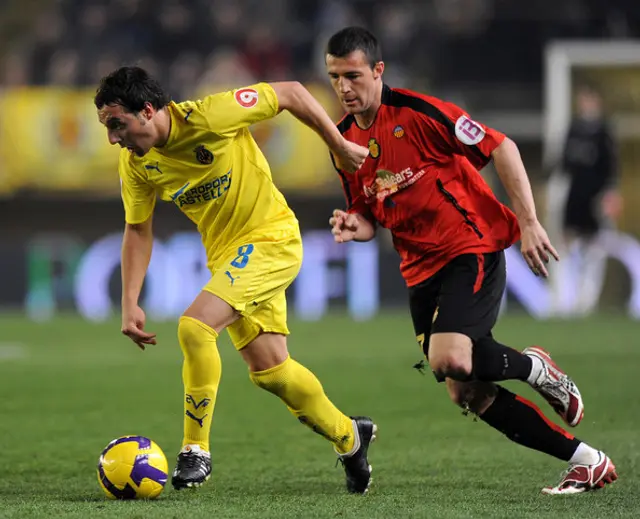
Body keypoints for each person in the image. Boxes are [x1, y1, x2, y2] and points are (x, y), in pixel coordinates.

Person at [325, 27, 617, 495]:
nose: (343, 88)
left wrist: (529, 222)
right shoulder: (342, 142)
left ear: (378, 72)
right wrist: (352, 226)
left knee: (449, 357)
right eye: (335, 77)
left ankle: (534, 369)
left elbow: (501, 146)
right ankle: (588, 460)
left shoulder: (420, 113)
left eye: (353, 75)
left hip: (469, 246)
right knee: (466, 390)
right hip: (419, 272)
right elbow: (368, 214)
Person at [94, 66, 376, 494]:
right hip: (228, 259)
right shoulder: (136, 165)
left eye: (117, 124)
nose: (113, 138)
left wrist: (337, 145)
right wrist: (129, 299)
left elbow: (291, 93)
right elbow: (138, 229)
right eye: (107, 128)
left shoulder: (211, 116)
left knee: (195, 326)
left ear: (148, 110)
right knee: (272, 372)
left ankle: (195, 450)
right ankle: (350, 438)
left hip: (272, 238)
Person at [557, 83, 623, 316]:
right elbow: (562, 163)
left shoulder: (604, 131)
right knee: (566, 245)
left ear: (596, 101)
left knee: (594, 249)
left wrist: (610, 194)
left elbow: (612, 167)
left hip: (595, 199)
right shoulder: (573, 129)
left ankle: (587, 300)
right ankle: (566, 300)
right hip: (575, 195)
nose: (583, 104)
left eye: (587, 99)